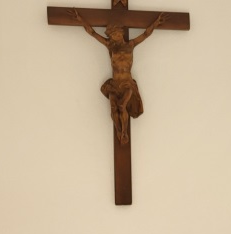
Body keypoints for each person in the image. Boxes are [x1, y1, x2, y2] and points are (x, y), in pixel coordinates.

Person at [69, 9, 169, 145]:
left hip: (127, 83)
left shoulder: (131, 45)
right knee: (113, 108)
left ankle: (124, 132)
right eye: (111, 35)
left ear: (120, 33)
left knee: (122, 106)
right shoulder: (110, 46)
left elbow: (146, 34)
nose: (112, 37)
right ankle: (118, 130)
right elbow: (92, 33)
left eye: (113, 34)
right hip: (114, 84)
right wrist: (80, 20)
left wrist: (156, 23)